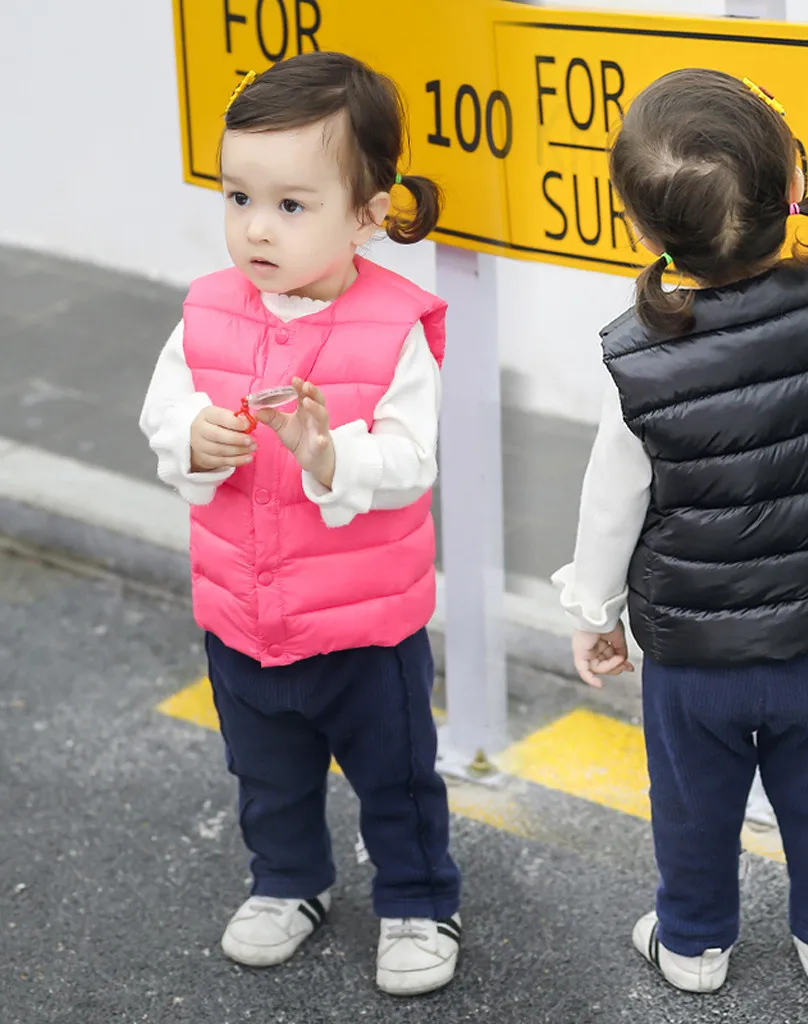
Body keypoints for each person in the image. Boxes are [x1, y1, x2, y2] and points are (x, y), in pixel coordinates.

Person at [553, 13, 808, 995]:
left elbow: (611, 502)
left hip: (691, 657)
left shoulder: (635, 358)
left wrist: (593, 612)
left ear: (641, 230)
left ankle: (693, 942)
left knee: (692, 802)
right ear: (792, 189)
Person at [139, 52, 462, 997]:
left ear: (368, 213)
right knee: (265, 771)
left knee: (396, 778)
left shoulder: (395, 327)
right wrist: (193, 441)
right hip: (243, 613)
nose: (255, 228)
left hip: (366, 627)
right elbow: (161, 413)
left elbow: (410, 462)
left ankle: (416, 897)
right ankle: (287, 882)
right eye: (239, 197)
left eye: (291, 204)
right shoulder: (205, 312)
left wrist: (330, 456)